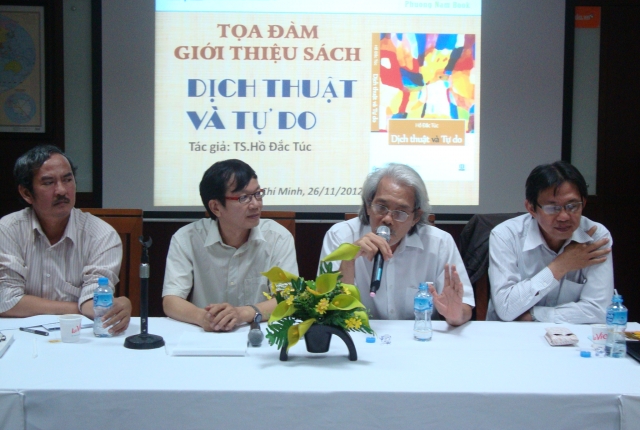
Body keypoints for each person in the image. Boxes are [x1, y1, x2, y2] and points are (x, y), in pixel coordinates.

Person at [319, 163, 474, 325]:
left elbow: (464, 307)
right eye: (381, 207)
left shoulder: (440, 243)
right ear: (368, 206)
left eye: (400, 212)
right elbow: (328, 311)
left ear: (415, 217)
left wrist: (456, 314)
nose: (387, 219)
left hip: (419, 335)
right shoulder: (340, 236)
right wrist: (348, 259)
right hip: (359, 335)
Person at [0, 145, 131, 334]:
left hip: (79, 335)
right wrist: (76, 308)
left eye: (67, 180)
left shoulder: (102, 234)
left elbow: (93, 301)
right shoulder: (8, 230)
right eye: (48, 183)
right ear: (26, 193)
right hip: (21, 335)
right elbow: (6, 301)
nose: (61, 190)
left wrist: (116, 306)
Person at [162, 159, 298, 332]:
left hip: (259, 333)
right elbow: (171, 300)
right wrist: (203, 318)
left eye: (258, 194)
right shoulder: (187, 239)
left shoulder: (278, 238)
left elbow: (288, 299)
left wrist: (243, 313)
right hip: (207, 334)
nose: (256, 204)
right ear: (216, 207)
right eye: (244, 197)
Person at [487, 161, 613, 323]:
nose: (564, 217)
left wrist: (534, 315)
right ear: (531, 208)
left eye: (572, 206)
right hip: (511, 333)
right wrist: (561, 265)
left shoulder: (596, 236)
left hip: (572, 334)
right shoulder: (506, 235)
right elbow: (505, 308)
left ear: (584, 203)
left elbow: (599, 310)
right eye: (552, 208)